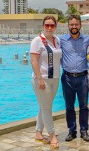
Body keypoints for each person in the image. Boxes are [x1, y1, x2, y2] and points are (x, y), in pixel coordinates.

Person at [30, 15, 62, 149]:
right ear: (43, 26)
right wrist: (39, 79)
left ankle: (38, 132)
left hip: (55, 79)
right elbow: (34, 61)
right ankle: (52, 135)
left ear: (55, 27)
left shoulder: (57, 40)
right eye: (47, 25)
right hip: (42, 79)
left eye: (52, 25)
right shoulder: (37, 40)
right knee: (47, 108)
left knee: (44, 106)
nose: (49, 28)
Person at [60, 15, 89, 142]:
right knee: (69, 106)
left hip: (83, 77)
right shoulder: (62, 40)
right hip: (67, 78)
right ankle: (72, 131)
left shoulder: (87, 40)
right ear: (68, 26)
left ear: (80, 25)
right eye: (71, 24)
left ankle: (84, 130)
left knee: (84, 106)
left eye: (76, 24)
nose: (74, 27)